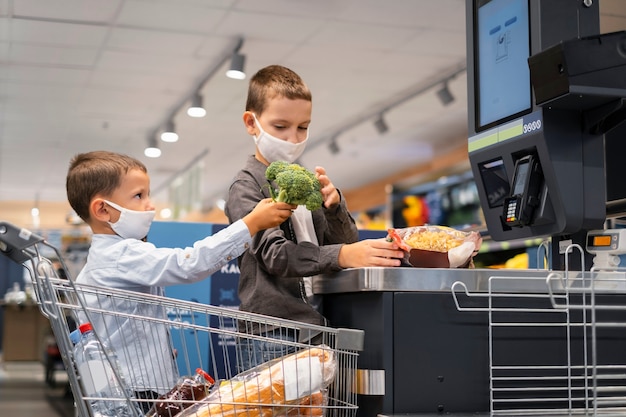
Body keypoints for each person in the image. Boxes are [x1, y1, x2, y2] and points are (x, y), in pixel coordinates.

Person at [66, 150, 295, 411]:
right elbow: (189, 264)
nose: (150, 205)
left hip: (130, 386)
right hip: (137, 392)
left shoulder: (101, 261)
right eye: (139, 195)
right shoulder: (120, 255)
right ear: (102, 209)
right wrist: (249, 224)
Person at [225, 65, 404, 371]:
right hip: (273, 335)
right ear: (250, 122)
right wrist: (345, 253)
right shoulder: (246, 187)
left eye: (303, 127)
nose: (293, 138)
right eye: (280, 127)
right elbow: (276, 256)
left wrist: (335, 208)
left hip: (317, 329)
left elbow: (343, 244)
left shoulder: (305, 180)